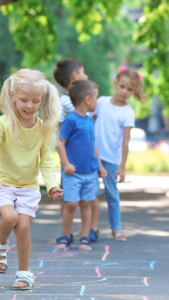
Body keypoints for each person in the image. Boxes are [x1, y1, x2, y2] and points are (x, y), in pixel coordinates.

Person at [0, 69, 64, 290]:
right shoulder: (4, 122)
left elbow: (45, 160)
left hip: (27, 186)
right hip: (2, 181)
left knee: (23, 227)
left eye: (35, 101)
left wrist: (52, 185)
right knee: (10, 218)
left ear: (42, 100)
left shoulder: (42, 128)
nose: (29, 105)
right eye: (24, 99)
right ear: (12, 95)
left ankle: (24, 273)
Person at [91, 66, 145, 242]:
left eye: (130, 89)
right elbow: (89, 126)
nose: (125, 91)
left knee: (112, 194)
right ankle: (90, 228)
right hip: (93, 155)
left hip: (112, 159)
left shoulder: (128, 112)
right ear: (115, 83)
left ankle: (116, 229)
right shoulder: (101, 102)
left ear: (134, 91)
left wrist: (122, 167)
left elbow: (126, 141)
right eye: (122, 86)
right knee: (89, 194)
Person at [55, 80, 107, 251]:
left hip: (90, 172)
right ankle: (65, 236)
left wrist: (99, 166)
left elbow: (93, 146)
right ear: (87, 99)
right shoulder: (70, 120)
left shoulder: (90, 121)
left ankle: (85, 236)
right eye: (96, 98)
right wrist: (65, 163)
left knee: (86, 204)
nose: (97, 102)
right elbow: (59, 142)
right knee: (71, 204)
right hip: (73, 173)